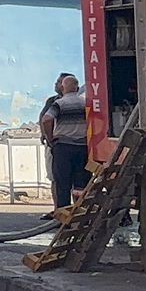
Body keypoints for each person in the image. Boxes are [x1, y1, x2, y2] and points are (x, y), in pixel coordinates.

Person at [39, 73, 91, 216]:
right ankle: (81, 216)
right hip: (83, 148)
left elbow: (46, 119)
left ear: (63, 88)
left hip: (63, 148)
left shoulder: (59, 104)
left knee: (63, 184)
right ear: (77, 87)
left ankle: (63, 217)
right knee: (81, 184)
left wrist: (50, 138)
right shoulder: (85, 103)